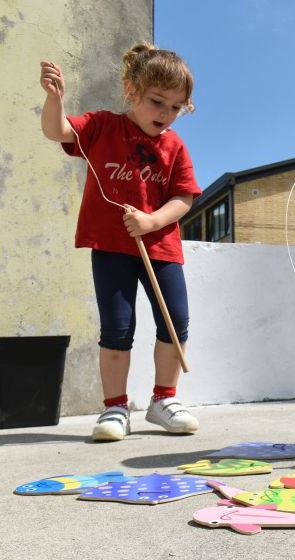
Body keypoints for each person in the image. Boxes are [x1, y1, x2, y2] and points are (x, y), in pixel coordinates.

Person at [39, 43, 202, 441]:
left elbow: (183, 197)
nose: (164, 114)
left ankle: (164, 400)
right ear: (131, 90)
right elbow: (56, 131)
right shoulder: (102, 126)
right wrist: (55, 100)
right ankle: (114, 408)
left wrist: (151, 221)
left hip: (160, 247)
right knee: (117, 328)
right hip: (111, 246)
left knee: (175, 322)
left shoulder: (175, 146)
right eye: (156, 101)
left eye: (175, 107)